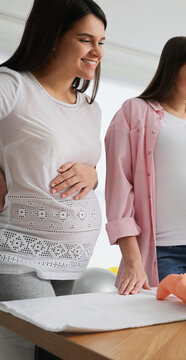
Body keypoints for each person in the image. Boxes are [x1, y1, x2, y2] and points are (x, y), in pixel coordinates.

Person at [0, 0, 106, 357]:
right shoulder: (13, 85)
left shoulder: (91, 109)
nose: (96, 52)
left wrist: (93, 175)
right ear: (53, 37)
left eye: (101, 42)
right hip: (18, 253)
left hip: (71, 259)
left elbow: (79, 164)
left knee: (52, 354)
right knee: (61, 349)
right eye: (86, 40)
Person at [105, 36, 186, 296]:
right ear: (172, 71)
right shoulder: (135, 112)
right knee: (163, 333)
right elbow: (119, 188)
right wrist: (132, 261)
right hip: (163, 253)